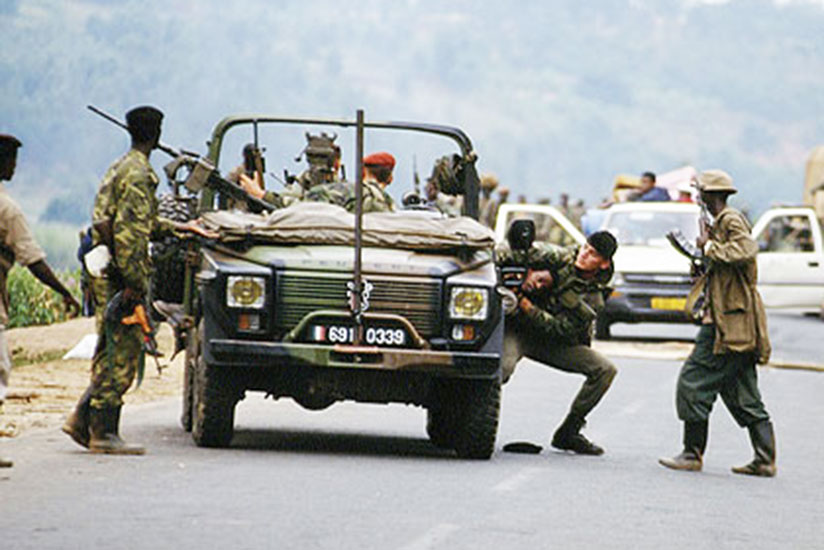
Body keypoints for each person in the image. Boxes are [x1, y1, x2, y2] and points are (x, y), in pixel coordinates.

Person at [62, 106, 214, 455]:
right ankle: (104, 433)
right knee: (122, 352)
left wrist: (181, 227)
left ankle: (81, 419)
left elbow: (139, 221)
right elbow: (129, 233)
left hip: (106, 271)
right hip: (121, 275)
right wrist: (133, 284)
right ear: (156, 134)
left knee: (109, 348)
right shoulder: (139, 174)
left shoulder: (120, 166)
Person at [659, 170, 776, 477]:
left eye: (701, 193)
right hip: (733, 319)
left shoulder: (729, 220)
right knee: (743, 392)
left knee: (692, 382)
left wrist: (709, 247)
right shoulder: (719, 224)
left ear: (710, 195)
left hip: (728, 323)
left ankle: (691, 453)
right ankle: (764, 459)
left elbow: (746, 249)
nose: (698, 197)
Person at [497, 229, 619, 455]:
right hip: (518, 330)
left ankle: (569, 432)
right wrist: (523, 274)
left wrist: (526, 305)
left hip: (552, 341)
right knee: (500, 368)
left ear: (603, 263)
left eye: (592, 254)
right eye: (585, 248)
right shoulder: (560, 257)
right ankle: (467, 416)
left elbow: (560, 329)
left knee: (605, 369)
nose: (583, 255)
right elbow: (510, 251)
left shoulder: (594, 297)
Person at [0, 133, 81, 468]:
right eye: (12, 160)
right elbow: (33, 260)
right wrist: (65, 293)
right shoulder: (8, 209)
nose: (16, 168)